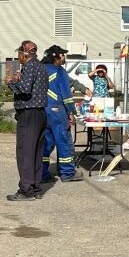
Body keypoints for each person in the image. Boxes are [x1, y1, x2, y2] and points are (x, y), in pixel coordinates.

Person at [6, 40, 48, 201]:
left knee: (25, 152)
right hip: (40, 114)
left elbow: (25, 89)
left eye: (19, 54)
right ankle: (36, 187)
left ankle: (26, 189)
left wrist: (12, 83)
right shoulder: (42, 67)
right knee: (37, 151)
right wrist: (20, 80)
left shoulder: (29, 67)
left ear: (25, 53)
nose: (18, 58)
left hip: (28, 114)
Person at [41, 45, 83, 183]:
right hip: (58, 111)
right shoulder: (60, 72)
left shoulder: (40, 70)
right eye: (63, 55)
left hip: (42, 110)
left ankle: (42, 173)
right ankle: (67, 173)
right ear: (57, 57)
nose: (64, 58)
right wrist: (71, 113)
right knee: (64, 142)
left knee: (46, 144)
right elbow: (67, 95)